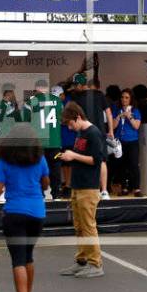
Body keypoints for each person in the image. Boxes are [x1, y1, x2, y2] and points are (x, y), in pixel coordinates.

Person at [0, 124, 49, 292]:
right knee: (28, 256)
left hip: (14, 212)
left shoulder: (4, 161)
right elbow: (46, 183)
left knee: (18, 260)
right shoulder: (39, 158)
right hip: (37, 212)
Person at [58, 102, 106, 278]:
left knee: (88, 226)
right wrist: (71, 155)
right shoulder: (81, 133)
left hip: (88, 187)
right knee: (79, 226)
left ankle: (95, 263)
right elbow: (84, 157)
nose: (70, 128)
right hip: (78, 186)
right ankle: (82, 260)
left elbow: (96, 160)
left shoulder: (93, 133)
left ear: (78, 117)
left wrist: (73, 155)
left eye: (71, 124)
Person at [73, 77, 114, 199]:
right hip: (100, 132)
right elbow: (108, 113)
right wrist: (110, 130)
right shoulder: (99, 94)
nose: (75, 87)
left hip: (84, 133)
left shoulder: (78, 98)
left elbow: (76, 117)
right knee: (101, 160)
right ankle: (104, 191)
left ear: (81, 85)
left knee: (84, 160)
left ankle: (89, 190)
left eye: (76, 85)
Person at [26, 79, 63, 197]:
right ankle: (56, 193)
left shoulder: (31, 102)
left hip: (39, 143)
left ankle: (40, 193)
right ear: (47, 88)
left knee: (38, 168)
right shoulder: (57, 101)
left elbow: (25, 122)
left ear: (36, 89)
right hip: (55, 142)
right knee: (55, 167)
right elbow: (62, 119)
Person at [114, 89, 142, 196]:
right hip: (120, 142)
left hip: (132, 141)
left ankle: (136, 188)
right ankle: (124, 188)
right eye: (122, 97)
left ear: (131, 99)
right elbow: (114, 126)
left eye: (126, 97)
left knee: (134, 165)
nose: (124, 99)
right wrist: (118, 117)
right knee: (122, 166)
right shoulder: (118, 110)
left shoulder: (136, 111)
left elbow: (136, 126)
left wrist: (129, 116)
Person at [56, 85, 75, 198]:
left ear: (63, 94)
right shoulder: (55, 104)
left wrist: (63, 120)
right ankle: (66, 184)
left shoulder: (70, 104)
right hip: (60, 138)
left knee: (70, 162)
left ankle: (69, 184)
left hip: (70, 137)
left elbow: (71, 119)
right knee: (63, 162)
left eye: (58, 96)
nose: (57, 99)